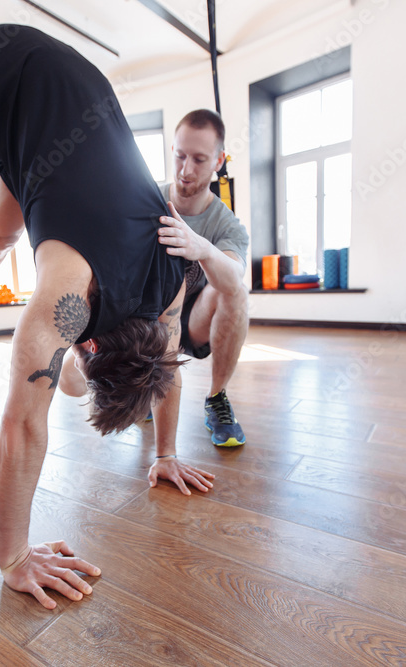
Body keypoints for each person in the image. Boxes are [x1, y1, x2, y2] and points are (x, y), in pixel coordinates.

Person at [0, 24, 214, 610]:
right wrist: (14, 558)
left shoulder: (172, 283)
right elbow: (23, 427)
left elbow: (167, 370)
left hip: (71, 97)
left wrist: (166, 454)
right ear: (88, 344)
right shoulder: (64, 300)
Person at [160, 110, 250, 448]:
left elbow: (232, 280)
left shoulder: (227, 225)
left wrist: (204, 249)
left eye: (199, 160)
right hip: (150, 321)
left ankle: (216, 398)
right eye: (180, 156)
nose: (186, 170)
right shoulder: (146, 200)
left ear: (218, 161)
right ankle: (143, 387)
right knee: (70, 382)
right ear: (172, 149)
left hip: (192, 322)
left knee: (236, 292)